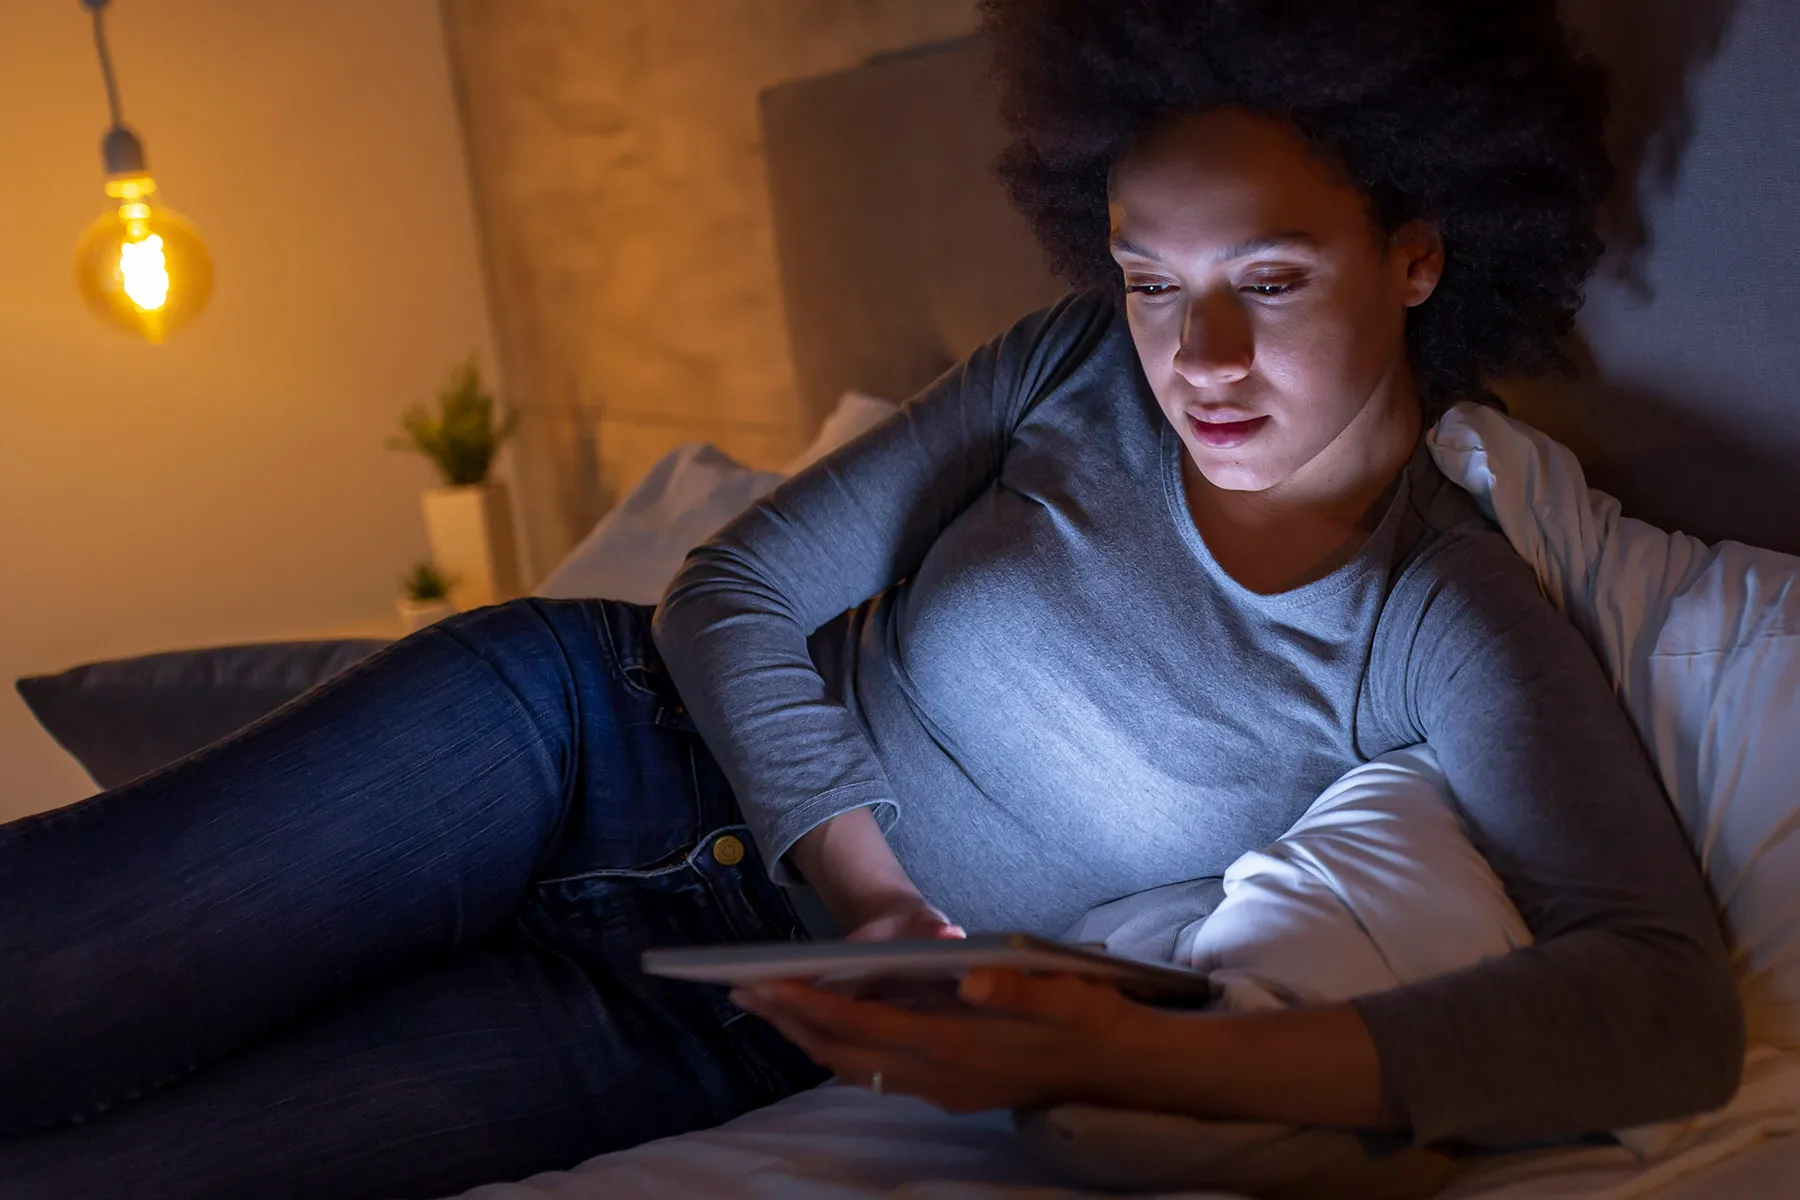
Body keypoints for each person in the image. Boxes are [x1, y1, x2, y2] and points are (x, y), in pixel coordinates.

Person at [0, 1, 1743, 1197]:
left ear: (1418, 254)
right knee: (51, 979)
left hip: (712, 1026)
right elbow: (736, 582)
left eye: (1269, 282)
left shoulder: (1442, 615)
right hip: (587, 739)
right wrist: (880, 904)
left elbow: (1663, 1000)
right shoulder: (1079, 371)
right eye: (1152, 278)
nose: (1194, 358)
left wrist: (1197, 1069)